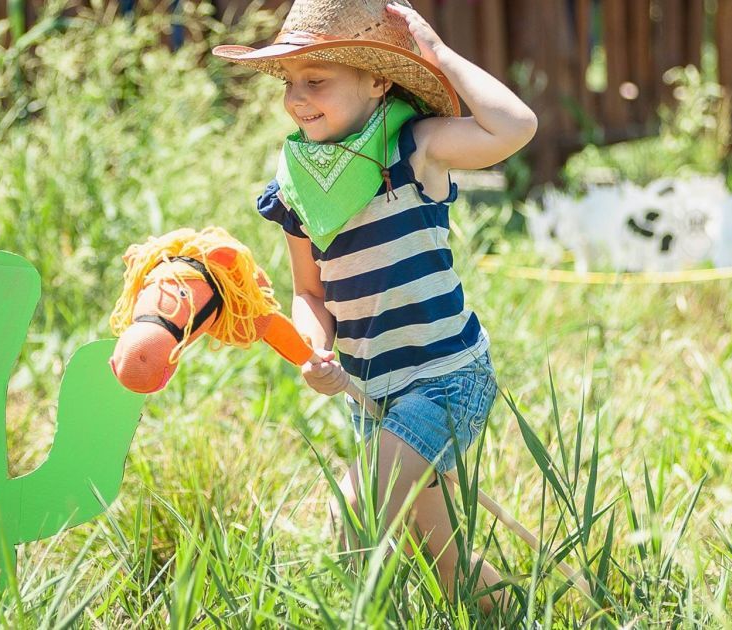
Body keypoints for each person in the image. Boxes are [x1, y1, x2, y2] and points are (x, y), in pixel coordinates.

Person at [212, 0, 537, 612]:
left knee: (356, 515)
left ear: (378, 80)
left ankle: (362, 618)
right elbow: (310, 292)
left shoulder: (416, 149)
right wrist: (314, 351)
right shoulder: (298, 186)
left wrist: (438, 55)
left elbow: (514, 127)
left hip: (444, 377)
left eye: (317, 81)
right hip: (372, 390)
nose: (297, 99)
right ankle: (510, 613)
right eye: (290, 83)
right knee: (441, 558)